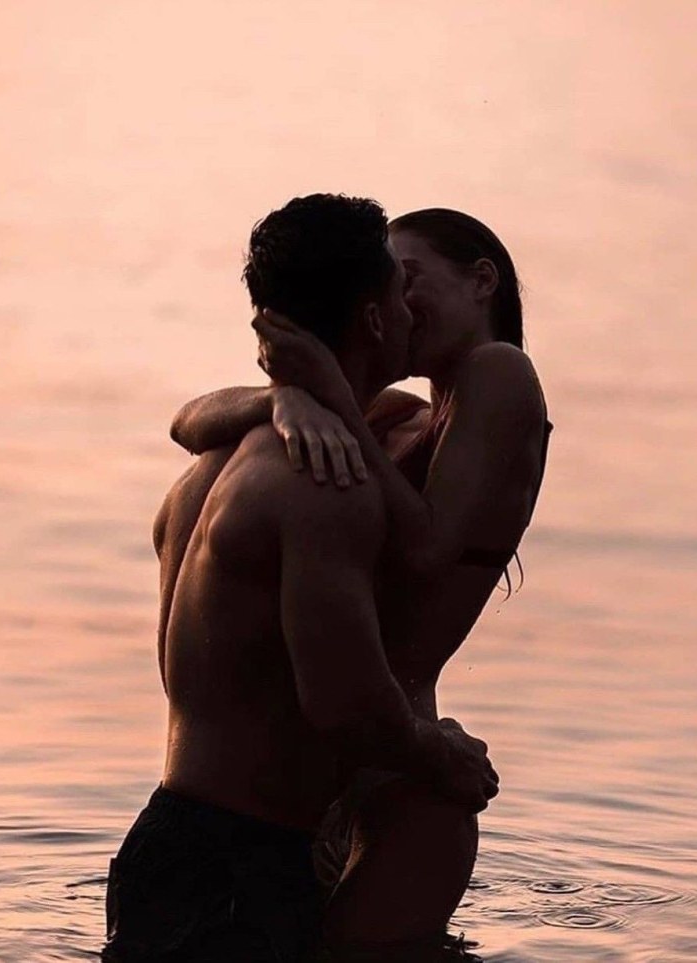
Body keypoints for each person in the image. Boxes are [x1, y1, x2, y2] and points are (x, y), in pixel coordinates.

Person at [102, 195, 499, 963]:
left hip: (166, 838)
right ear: (375, 318)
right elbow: (345, 703)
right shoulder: (327, 480)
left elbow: (187, 418)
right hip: (240, 872)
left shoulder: (222, 455)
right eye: (397, 290)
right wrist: (443, 754)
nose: (412, 308)